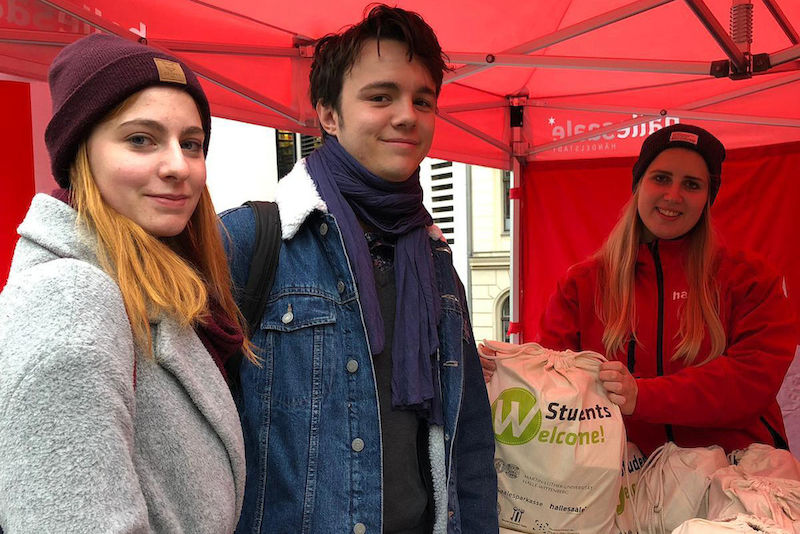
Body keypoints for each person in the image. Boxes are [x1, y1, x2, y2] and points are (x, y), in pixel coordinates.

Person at [221, 5, 497, 533]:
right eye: (380, 96)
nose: (407, 115)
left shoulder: (434, 260)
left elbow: (470, 439)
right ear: (328, 114)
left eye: (423, 100)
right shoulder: (250, 241)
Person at [0, 34, 253, 532]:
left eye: (192, 143)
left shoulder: (156, 284)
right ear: (81, 153)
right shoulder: (69, 297)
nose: (179, 166)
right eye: (141, 138)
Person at [482, 124, 796, 456]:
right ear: (638, 185)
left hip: (735, 475)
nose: (673, 195)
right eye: (661, 178)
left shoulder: (749, 279)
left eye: (692, 184)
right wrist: (503, 370)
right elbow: (553, 382)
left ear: (707, 197)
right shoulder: (583, 284)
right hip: (621, 479)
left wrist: (643, 396)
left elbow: (750, 381)